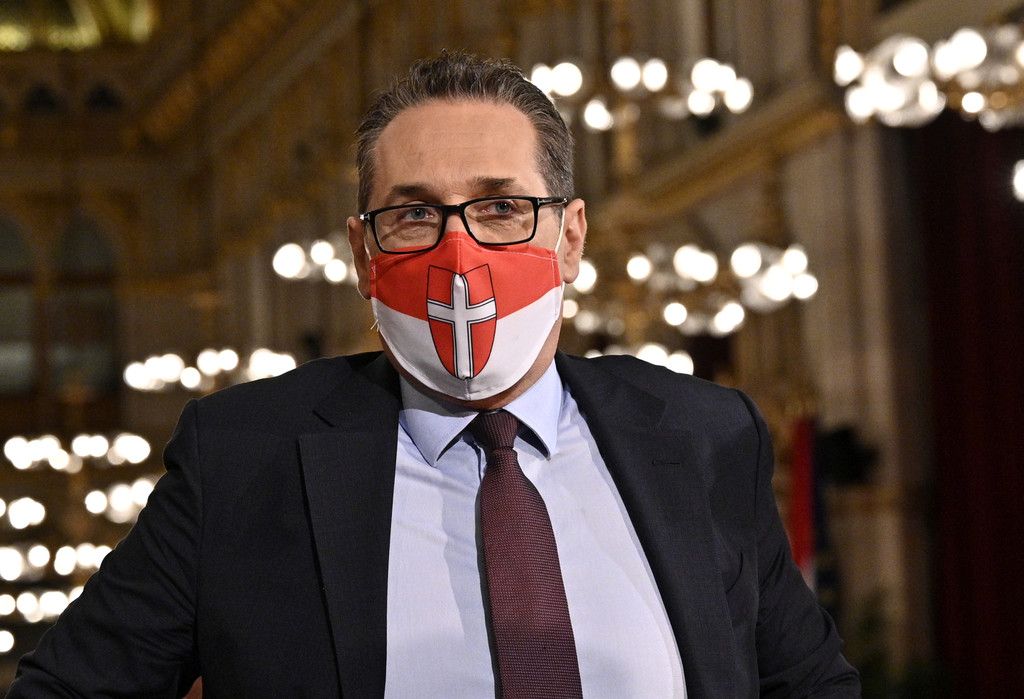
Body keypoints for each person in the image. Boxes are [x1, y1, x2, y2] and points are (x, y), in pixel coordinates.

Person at [9, 52, 859, 698]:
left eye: (501, 207)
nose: (460, 252)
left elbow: (811, 684)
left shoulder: (704, 435)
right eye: (415, 213)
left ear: (569, 237)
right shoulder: (241, 458)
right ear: (362, 253)